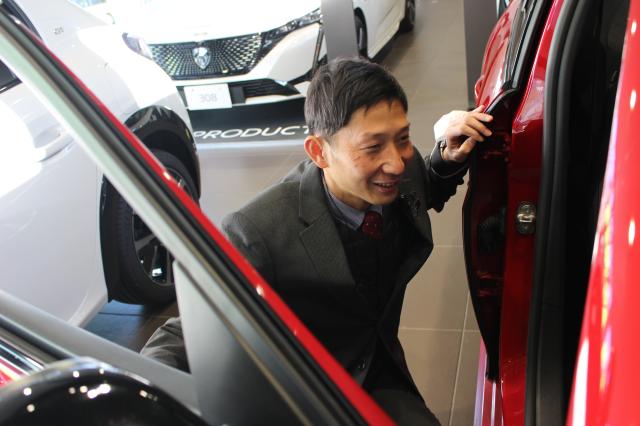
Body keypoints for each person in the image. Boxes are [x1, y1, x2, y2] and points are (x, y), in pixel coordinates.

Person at [141, 57, 493, 425]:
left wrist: (445, 158)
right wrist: (146, 402)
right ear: (319, 152)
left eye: (402, 138)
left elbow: (424, 186)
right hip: (302, 398)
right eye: (372, 147)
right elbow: (186, 333)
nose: (396, 163)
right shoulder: (258, 230)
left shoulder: (397, 176)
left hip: (381, 373)